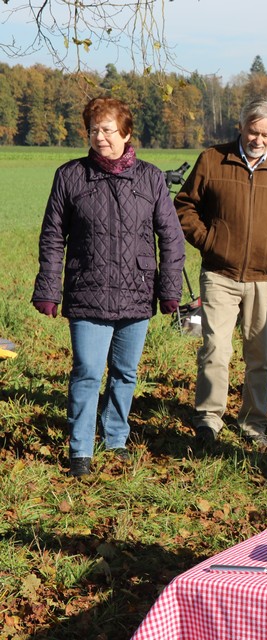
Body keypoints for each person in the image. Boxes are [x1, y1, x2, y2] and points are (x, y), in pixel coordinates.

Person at [32, 96, 186, 477]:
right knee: (87, 370)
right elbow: (52, 236)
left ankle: (115, 439)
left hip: (137, 292)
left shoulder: (151, 178)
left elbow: (171, 237)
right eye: (93, 130)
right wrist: (49, 289)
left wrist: (169, 290)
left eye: (107, 130)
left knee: (125, 373)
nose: (99, 137)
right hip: (87, 290)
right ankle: (80, 451)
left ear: (127, 133)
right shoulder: (70, 176)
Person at [175, 98, 267, 449]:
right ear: (241, 127)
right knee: (215, 349)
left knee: (260, 357)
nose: (259, 140)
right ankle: (208, 420)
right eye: (253, 132)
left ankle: (254, 423)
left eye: (266, 134)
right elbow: (185, 206)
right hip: (219, 274)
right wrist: (209, 242)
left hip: (265, 279)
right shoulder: (212, 160)